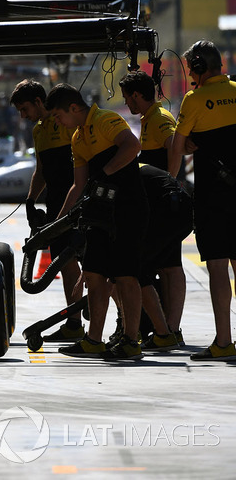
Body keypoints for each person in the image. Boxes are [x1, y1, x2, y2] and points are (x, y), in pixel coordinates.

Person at [46, 83, 148, 360]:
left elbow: (132, 146)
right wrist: (56, 224)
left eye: (57, 116)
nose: (57, 122)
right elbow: (78, 185)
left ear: (74, 108)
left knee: (125, 274)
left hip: (127, 208)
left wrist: (104, 172)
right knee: (93, 274)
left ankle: (130, 340)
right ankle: (93, 339)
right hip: (100, 213)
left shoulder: (105, 119)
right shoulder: (77, 138)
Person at [168, 40, 236, 361]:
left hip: (213, 197)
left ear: (197, 67)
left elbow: (178, 148)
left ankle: (224, 342)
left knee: (218, 268)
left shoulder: (194, 100)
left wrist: (193, 143)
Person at [10, 79, 83, 342]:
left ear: (39, 102)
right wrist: (30, 200)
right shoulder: (38, 131)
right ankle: (74, 326)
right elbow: (41, 170)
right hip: (54, 206)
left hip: (79, 201)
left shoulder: (63, 122)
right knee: (64, 264)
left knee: (99, 266)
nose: (23, 116)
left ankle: (124, 325)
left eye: (25, 109)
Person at [119, 70, 187, 344]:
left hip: (163, 204)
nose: (128, 104)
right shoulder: (149, 120)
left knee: (170, 267)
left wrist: (169, 183)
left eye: (127, 98)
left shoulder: (159, 118)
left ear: (137, 95)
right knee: (167, 264)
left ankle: (171, 327)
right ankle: (168, 328)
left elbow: (175, 146)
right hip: (156, 203)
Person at [136, 164, 192, 352]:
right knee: (167, 265)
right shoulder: (134, 166)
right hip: (175, 203)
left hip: (168, 206)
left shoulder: (117, 171)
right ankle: (170, 330)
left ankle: (164, 333)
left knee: (132, 268)